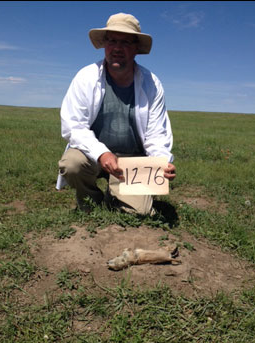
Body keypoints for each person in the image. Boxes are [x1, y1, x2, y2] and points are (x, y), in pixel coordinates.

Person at [56, 13, 176, 215]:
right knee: (72, 164)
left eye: (126, 42)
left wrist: (161, 161)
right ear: (104, 44)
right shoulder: (86, 77)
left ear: (136, 48)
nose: (117, 48)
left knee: (142, 212)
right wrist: (102, 153)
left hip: (132, 162)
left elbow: (156, 132)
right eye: (112, 40)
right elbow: (74, 126)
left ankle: (115, 194)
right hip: (93, 156)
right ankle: (91, 202)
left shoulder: (151, 83)